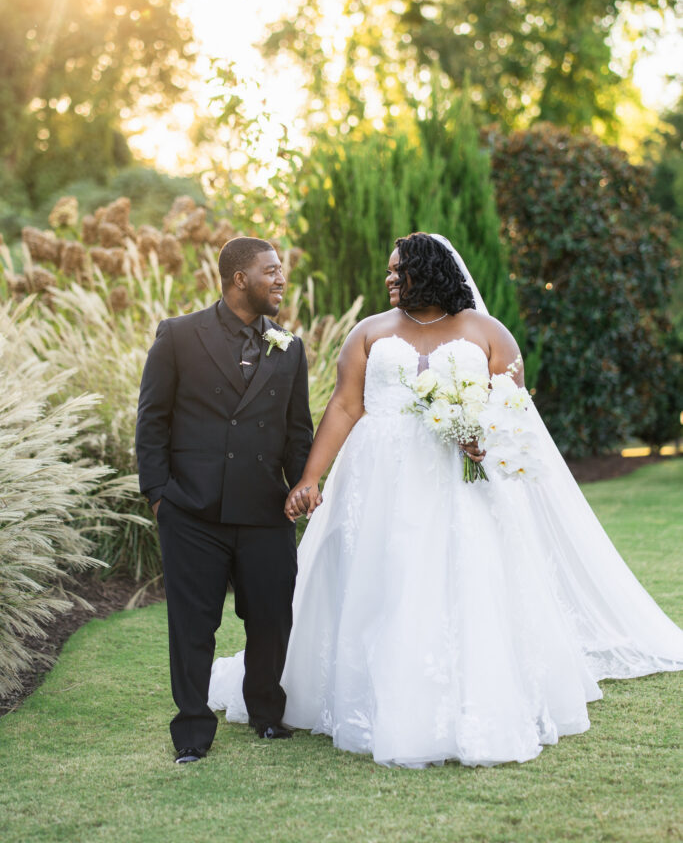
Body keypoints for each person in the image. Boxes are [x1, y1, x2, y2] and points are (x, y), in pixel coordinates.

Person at [209, 232, 683, 768]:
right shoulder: (369, 333)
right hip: (377, 480)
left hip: (459, 481)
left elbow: (514, 408)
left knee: (463, 576)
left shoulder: (486, 332)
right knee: (377, 579)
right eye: (387, 271)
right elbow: (344, 407)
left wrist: (487, 437)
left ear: (428, 271)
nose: (388, 278)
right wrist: (311, 478)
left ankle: (459, 697)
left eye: (398, 270)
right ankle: (364, 692)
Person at [136, 237, 313, 763]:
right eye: (271, 271)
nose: (281, 279)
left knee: (271, 618)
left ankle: (265, 713)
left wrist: (302, 484)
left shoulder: (290, 346)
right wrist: (158, 496)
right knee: (193, 625)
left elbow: (297, 431)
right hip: (191, 511)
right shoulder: (178, 336)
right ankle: (192, 732)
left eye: (281, 271)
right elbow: (152, 421)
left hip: (265, 509)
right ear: (240, 278)